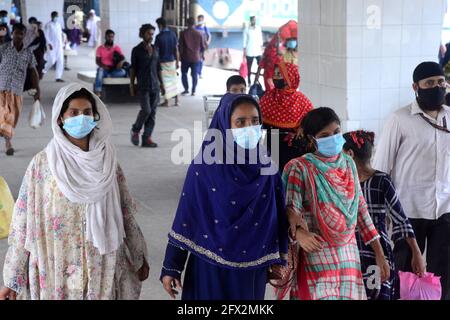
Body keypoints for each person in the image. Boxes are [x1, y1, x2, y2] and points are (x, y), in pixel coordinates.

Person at [0, 84, 149, 300]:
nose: (81, 118)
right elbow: (22, 223)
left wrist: (138, 255)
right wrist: (12, 278)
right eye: (74, 112)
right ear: (60, 118)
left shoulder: (107, 162)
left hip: (100, 264)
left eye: (87, 112)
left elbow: (125, 211)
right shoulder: (42, 164)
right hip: (56, 263)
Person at [160, 93, 288, 300]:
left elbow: (278, 216)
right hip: (208, 267)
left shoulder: (267, 169)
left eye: (255, 121)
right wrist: (171, 267)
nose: (249, 128)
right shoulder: (204, 168)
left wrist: (278, 258)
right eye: (240, 122)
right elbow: (187, 218)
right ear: (224, 126)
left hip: (252, 270)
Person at [282, 107, 390, 300]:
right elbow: (290, 212)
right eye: (325, 135)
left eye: (336, 132)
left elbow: (361, 210)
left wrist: (379, 253)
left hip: (348, 255)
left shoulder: (349, 163)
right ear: (311, 140)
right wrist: (300, 234)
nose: (333, 138)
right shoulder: (299, 168)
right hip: (316, 253)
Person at [373, 61, 450, 300]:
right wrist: (382, 211)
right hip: (407, 210)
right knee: (404, 269)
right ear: (415, 86)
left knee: (444, 271)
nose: (437, 87)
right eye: (429, 83)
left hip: (445, 208)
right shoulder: (399, 119)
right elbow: (381, 167)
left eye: (440, 82)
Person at [343, 130, 425, 300]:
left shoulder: (381, 181)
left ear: (349, 154)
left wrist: (417, 253)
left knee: (378, 294)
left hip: (376, 255)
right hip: (348, 252)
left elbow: (400, 219)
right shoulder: (342, 182)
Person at [260, 61, 313, 173]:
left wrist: (302, 128)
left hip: (292, 145)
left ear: (289, 77)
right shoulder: (268, 97)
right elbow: (258, 119)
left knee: (290, 175)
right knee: (270, 175)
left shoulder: (301, 100)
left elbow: (312, 118)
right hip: (270, 142)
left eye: (279, 74)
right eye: (275, 74)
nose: (275, 77)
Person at [0, 23, 40, 156]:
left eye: (21, 33)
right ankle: (8, 143)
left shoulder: (28, 53)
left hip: (17, 91)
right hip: (1, 88)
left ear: (24, 35)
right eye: (16, 33)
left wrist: (37, 91)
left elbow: (33, 72)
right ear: (12, 34)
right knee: (4, 116)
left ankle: (6, 137)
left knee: (12, 118)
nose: (18, 35)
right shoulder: (3, 49)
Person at [130, 24, 162, 148]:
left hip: (155, 86)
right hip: (143, 86)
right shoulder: (136, 50)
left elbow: (158, 67)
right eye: (149, 33)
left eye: (152, 34)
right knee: (146, 110)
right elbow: (133, 69)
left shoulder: (155, 49)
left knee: (152, 113)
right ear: (143, 34)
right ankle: (135, 130)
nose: (151, 36)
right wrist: (131, 85)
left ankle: (147, 138)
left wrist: (163, 84)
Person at [256, 20, 298, 91]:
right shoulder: (271, 52)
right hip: (270, 79)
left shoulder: (285, 54)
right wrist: (256, 79)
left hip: (282, 81)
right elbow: (261, 65)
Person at [94, 29, 127, 97]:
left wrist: (121, 62)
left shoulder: (116, 47)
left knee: (123, 72)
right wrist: (103, 66)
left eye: (112, 37)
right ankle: (98, 91)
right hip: (104, 68)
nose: (110, 38)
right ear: (105, 37)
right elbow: (97, 61)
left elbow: (123, 58)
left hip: (114, 69)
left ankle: (107, 75)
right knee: (100, 70)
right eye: (109, 36)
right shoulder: (100, 48)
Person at [155, 17, 179, 107]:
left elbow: (156, 51)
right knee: (173, 80)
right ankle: (177, 101)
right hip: (172, 60)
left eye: (158, 25)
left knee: (165, 82)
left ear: (160, 25)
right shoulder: (173, 34)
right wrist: (177, 61)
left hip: (163, 61)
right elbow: (176, 49)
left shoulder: (159, 36)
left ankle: (167, 101)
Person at [179, 17, 205, 96]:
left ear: (187, 23)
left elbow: (180, 46)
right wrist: (201, 55)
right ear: (195, 23)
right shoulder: (199, 33)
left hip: (185, 57)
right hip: (196, 57)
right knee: (194, 75)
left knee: (184, 73)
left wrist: (180, 56)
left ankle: (186, 89)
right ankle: (193, 91)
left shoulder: (183, 33)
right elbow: (203, 46)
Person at [43, 11, 65, 82]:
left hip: (60, 45)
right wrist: (49, 43)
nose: (56, 17)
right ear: (51, 16)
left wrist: (63, 42)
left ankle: (58, 77)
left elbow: (61, 34)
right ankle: (43, 70)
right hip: (52, 45)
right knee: (52, 60)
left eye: (57, 16)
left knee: (60, 61)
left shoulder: (58, 24)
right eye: (55, 16)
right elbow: (46, 35)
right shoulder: (48, 25)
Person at [243, 16, 263, 86]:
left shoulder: (258, 28)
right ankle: (249, 80)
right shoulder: (247, 29)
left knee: (260, 65)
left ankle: (256, 80)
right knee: (249, 67)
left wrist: (261, 48)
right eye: (252, 20)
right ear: (250, 21)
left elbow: (260, 38)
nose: (254, 21)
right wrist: (244, 51)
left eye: (255, 20)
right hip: (249, 50)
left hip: (257, 50)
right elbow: (244, 41)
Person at [195, 14, 211, 79]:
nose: (200, 21)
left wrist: (208, 42)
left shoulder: (205, 28)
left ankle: (199, 73)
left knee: (201, 60)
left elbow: (209, 36)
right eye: (199, 20)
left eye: (201, 20)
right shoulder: (195, 28)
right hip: (196, 46)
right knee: (196, 60)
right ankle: (196, 72)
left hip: (202, 47)